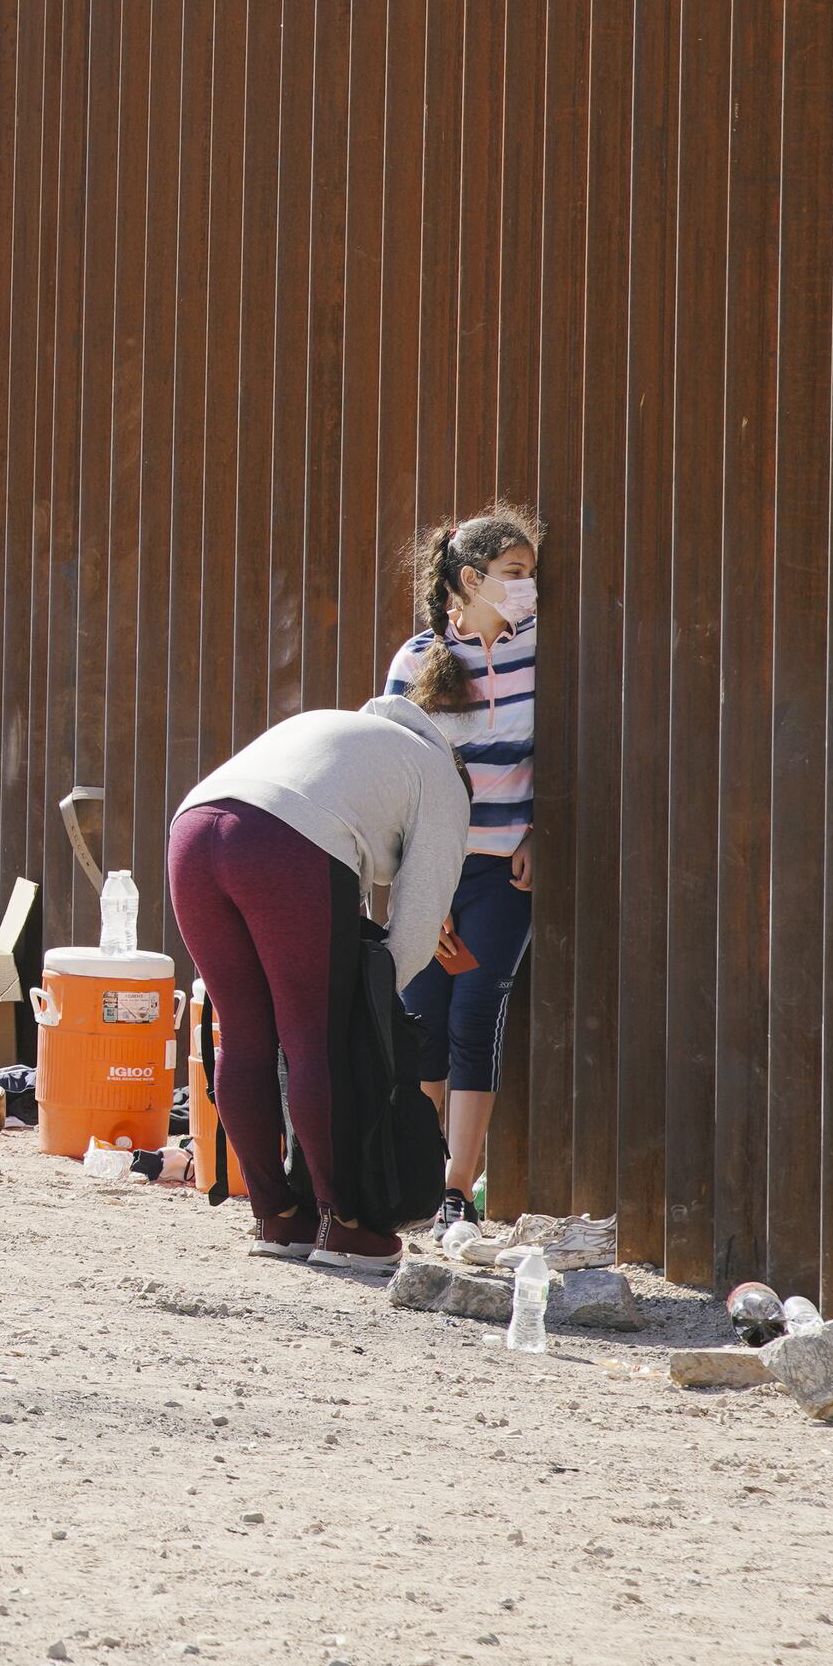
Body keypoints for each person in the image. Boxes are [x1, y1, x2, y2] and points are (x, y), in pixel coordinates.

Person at [166, 692, 472, 1264]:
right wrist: (370, 1008)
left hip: (192, 829)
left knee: (244, 1034)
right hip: (282, 841)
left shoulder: (358, 744)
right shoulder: (445, 783)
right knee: (315, 1040)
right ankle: (345, 1226)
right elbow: (415, 926)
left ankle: (277, 1218)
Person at [385, 502, 546, 1217]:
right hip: (434, 870)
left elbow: (559, 756)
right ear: (471, 579)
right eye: (513, 574)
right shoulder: (416, 660)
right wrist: (423, 886)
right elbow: (394, 773)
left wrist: (542, 831)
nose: (527, 588)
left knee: (476, 1015)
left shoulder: (544, 651)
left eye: (531, 574)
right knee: (423, 1014)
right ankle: (416, 1174)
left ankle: (455, 1188)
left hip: (504, 873)